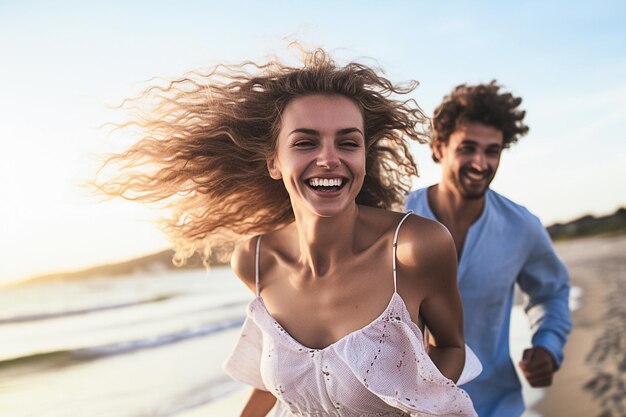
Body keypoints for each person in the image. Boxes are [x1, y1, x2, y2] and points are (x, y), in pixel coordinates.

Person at [98, 49, 481, 416]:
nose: (329, 158)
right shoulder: (255, 260)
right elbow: (286, 376)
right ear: (274, 163)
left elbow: (449, 345)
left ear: (364, 156)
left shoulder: (416, 248)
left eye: (348, 142)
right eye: (305, 142)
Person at [405, 82, 572, 417]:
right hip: (405, 406)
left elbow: (551, 292)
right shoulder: (396, 217)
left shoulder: (522, 227)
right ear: (439, 147)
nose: (480, 163)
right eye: (467, 148)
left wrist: (547, 345)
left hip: (494, 406)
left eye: (492, 151)